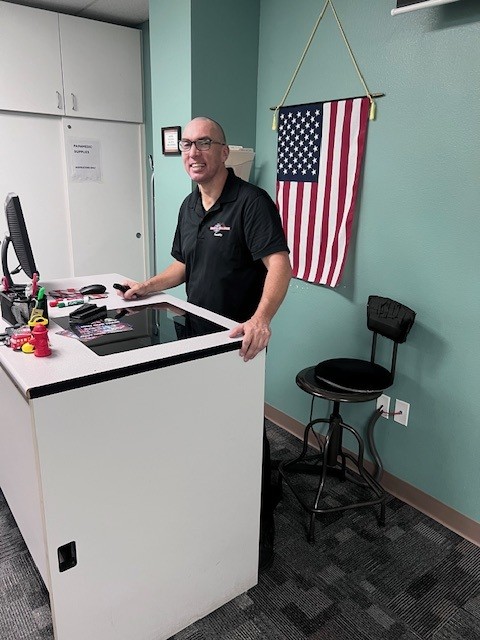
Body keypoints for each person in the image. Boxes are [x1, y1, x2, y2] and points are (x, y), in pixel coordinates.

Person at [120, 116, 292, 570]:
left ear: (223, 152)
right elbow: (183, 266)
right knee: (203, 430)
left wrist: (261, 319)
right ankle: (212, 517)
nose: (193, 153)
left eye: (203, 143)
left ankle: (258, 534)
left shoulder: (251, 203)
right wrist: (145, 287)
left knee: (243, 435)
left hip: (237, 345)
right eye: (186, 145)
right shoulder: (188, 206)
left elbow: (279, 264)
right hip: (195, 337)